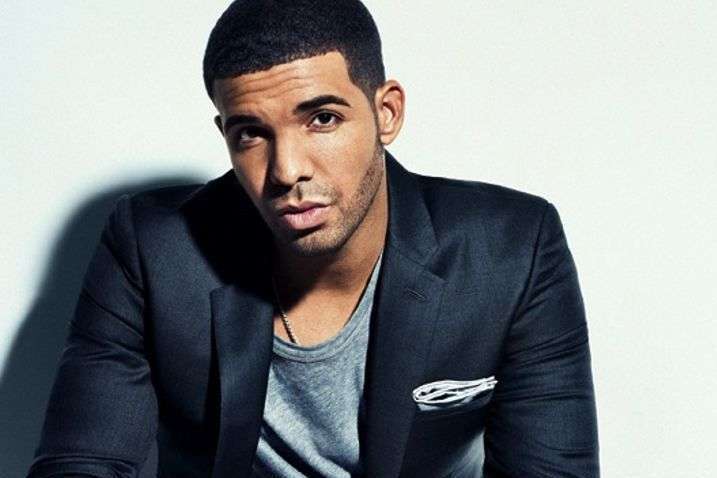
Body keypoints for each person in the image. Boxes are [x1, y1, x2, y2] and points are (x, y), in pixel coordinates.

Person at [27, 1, 599, 477]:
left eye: (322, 118)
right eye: (251, 133)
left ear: (387, 113)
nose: (287, 170)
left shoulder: (511, 251)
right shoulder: (153, 250)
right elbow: (82, 463)